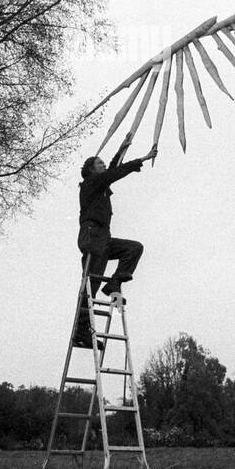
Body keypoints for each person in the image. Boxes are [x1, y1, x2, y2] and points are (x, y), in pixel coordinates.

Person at [71, 147, 156, 348]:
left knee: (134, 248)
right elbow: (114, 173)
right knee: (91, 285)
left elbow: (112, 169)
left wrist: (122, 149)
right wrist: (142, 157)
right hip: (92, 235)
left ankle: (114, 283)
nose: (103, 165)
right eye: (99, 163)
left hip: (104, 237)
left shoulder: (100, 183)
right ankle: (81, 331)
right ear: (91, 170)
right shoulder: (91, 183)